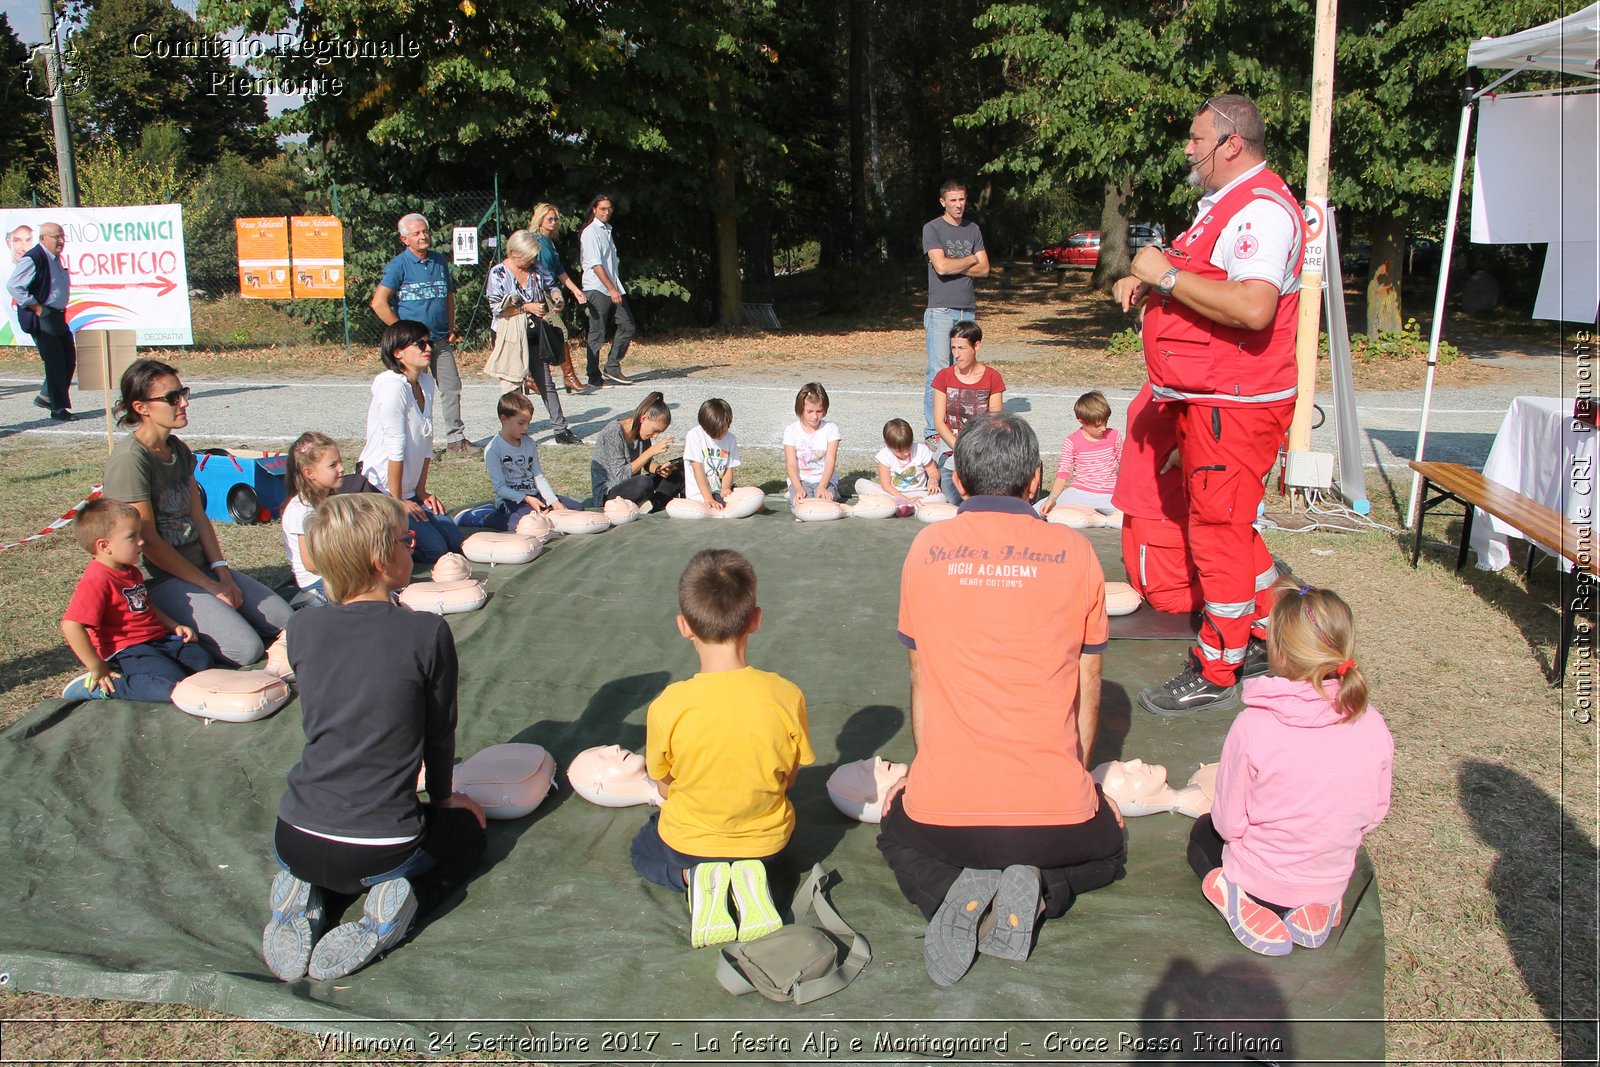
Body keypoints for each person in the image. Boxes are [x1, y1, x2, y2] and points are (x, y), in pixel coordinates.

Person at [876, 412, 1126, 987]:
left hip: (944, 816)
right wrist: (1083, 783)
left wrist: (923, 774)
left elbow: (920, 676)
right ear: (1035, 481)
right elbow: (1089, 684)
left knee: (895, 828)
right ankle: (1043, 886)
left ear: (959, 482)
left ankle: (948, 889)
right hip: (1056, 819)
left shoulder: (927, 548)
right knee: (1108, 849)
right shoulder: (1076, 553)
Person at [1112, 94, 1305, 716]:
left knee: (1217, 533)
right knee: (1227, 525)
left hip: (1235, 403)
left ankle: (1218, 665)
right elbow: (1206, 283)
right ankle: (1266, 623)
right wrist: (1152, 280)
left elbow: (1253, 307)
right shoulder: (1226, 208)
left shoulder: (1260, 211)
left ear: (1231, 143)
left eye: (1197, 140)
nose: (1188, 150)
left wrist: (1164, 276)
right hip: (1210, 398)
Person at [262, 493, 488, 983]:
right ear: (381, 559)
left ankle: (306, 895)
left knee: (333, 854)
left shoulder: (301, 626)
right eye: (407, 541)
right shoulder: (426, 633)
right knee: (467, 836)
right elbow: (438, 732)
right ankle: (395, 911)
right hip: (382, 842)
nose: (414, 548)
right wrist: (446, 799)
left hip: (294, 833)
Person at [1187, 580, 1393, 956]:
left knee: (1203, 835)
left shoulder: (1254, 725)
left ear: (1277, 650)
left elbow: (1230, 824)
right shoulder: (1372, 720)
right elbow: (1375, 814)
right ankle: (1314, 909)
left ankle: (1237, 899)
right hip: (1329, 877)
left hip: (1260, 879)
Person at [630, 548, 814, 947]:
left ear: (684, 626)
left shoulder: (668, 704)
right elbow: (789, 780)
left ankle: (693, 879)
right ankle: (751, 879)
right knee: (772, 853)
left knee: (644, 848)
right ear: (756, 620)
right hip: (766, 845)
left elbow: (663, 784)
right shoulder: (785, 695)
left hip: (690, 844)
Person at [102, 360, 292, 666]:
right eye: (172, 397)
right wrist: (211, 587)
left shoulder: (177, 449)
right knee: (246, 650)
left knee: (287, 621)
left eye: (183, 392)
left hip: (200, 568)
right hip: (160, 580)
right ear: (141, 407)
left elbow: (199, 516)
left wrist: (222, 572)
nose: (184, 403)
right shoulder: (130, 461)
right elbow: (148, 541)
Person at [58, 498, 213, 702]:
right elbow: (71, 626)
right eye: (132, 536)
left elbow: (145, 605)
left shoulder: (129, 570)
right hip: (128, 649)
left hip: (157, 640)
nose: (141, 541)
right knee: (168, 687)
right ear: (105, 546)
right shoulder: (97, 579)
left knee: (202, 661)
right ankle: (104, 687)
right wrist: (97, 666)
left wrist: (173, 625)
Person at [357, 320, 468, 564]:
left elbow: (426, 441)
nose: (428, 347)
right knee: (436, 550)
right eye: (419, 343)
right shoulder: (392, 387)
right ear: (398, 353)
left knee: (454, 539)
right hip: (383, 491)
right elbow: (395, 447)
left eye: (428, 342)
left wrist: (420, 491)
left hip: (407, 491)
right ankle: (377, 531)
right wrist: (398, 501)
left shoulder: (426, 383)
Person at [371, 213, 468, 454]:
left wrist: (451, 327)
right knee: (415, 392)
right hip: (414, 346)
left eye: (425, 231)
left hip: (440, 339)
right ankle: (420, 445)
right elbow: (379, 303)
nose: (423, 236)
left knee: (451, 387)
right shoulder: (399, 266)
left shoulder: (438, 261)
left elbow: (448, 297)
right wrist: (404, 334)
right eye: (416, 233)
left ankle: (456, 440)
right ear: (405, 239)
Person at [1112, 383, 1205, 615]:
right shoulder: (1164, 372)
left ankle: (1243, 587)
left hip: (1162, 508)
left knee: (1167, 599)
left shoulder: (1196, 376)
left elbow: (1224, 428)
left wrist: (1187, 452)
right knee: (1141, 587)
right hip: (1140, 505)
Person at [483, 229, 582, 446]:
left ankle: (561, 429)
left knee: (545, 381)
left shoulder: (536, 268)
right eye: (528, 256)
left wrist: (557, 298)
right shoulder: (498, 273)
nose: (532, 261)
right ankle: (513, 432)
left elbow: (552, 285)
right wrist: (526, 307)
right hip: (510, 333)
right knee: (512, 385)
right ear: (514, 253)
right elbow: (496, 308)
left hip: (536, 332)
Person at [922, 180, 988, 445]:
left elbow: (985, 269)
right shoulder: (932, 228)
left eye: (962, 199)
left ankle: (957, 427)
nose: (958, 205)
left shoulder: (973, 229)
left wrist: (957, 264)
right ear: (943, 202)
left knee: (963, 368)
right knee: (939, 371)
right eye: (953, 200)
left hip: (967, 309)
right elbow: (941, 267)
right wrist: (971, 258)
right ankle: (932, 431)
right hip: (941, 310)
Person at [482, 390, 582, 529]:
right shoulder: (493, 449)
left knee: (575, 509)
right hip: (511, 501)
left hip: (535, 496)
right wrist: (527, 499)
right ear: (504, 419)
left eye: (528, 423)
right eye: (521, 423)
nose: (526, 428)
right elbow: (500, 488)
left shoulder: (529, 443)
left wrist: (553, 501)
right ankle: (486, 517)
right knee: (531, 525)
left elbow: (538, 476)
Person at [6, 221, 75, 420]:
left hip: (57, 315)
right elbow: (14, 286)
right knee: (55, 361)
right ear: (43, 238)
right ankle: (58, 408)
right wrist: (36, 307)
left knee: (68, 358)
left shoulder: (55, 258)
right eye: (57, 237)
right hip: (42, 316)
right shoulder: (34, 258)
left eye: (62, 236)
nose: (61, 241)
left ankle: (46, 396)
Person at [931, 321, 1005, 503]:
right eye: (953, 348)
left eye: (962, 348)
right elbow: (939, 421)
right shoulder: (943, 377)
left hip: (982, 447)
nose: (956, 354)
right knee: (952, 493)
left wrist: (977, 448)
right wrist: (959, 447)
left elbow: (995, 420)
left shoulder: (992, 377)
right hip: (952, 448)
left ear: (977, 346)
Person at [281, 432, 346, 608]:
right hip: (316, 584)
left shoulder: (327, 500)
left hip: (335, 576)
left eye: (340, 462)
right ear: (309, 473)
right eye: (333, 465)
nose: (341, 469)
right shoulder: (301, 510)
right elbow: (311, 563)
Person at [590, 390, 684, 510]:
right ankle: (654, 503)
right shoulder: (613, 432)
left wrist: (660, 468)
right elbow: (620, 477)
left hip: (632, 486)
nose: (655, 436)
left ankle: (652, 504)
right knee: (643, 483)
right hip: (609, 494)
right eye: (655, 430)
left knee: (680, 467)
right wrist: (650, 451)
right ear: (643, 418)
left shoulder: (642, 433)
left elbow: (647, 462)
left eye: (659, 433)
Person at [530, 202, 588, 394]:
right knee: (557, 331)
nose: (554, 222)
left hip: (550, 290)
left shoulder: (549, 243)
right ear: (540, 220)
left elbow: (559, 271)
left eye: (556, 219)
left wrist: (574, 290)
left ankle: (535, 379)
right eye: (550, 219)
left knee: (546, 333)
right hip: (538, 292)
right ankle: (566, 376)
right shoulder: (534, 241)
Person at [580, 193, 635, 386]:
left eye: (609, 208)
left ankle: (612, 366)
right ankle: (593, 375)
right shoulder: (591, 232)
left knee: (627, 324)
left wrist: (615, 287)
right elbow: (596, 264)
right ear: (594, 209)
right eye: (603, 208)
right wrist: (611, 289)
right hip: (597, 287)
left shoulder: (607, 231)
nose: (607, 212)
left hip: (612, 286)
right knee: (598, 333)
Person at [1039, 391, 1123, 514]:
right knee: (1038, 511)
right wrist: (1052, 498)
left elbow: (1125, 464)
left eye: (1106, 422)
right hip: (1079, 492)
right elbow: (1063, 474)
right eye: (1097, 426)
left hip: (1109, 493)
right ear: (1082, 421)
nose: (1104, 428)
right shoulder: (1072, 441)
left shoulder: (1114, 435)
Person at [855, 418, 940, 508]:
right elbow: (886, 485)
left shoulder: (921, 450)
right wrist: (905, 498)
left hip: (919, 493)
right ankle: (907, 504)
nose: (906, 453)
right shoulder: (884, 455)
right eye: (899, 451)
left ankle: (895, 505)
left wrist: (933, 481)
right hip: (894, 493)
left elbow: (933, 472)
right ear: (887, 445)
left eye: (908, 448)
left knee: (940, 497)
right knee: (860, 484)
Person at [782, 382, 841, 507]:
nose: (815, 416)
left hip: (824, 480)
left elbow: (830, 460)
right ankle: (792, 493)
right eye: (810, 411)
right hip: (801, 480)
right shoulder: (791, 430)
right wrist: (798, 488)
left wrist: (823, 486)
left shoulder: (831, 429)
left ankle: (832, 491)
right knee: (804, 505)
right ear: (800, 409)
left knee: (825, 506)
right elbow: (791, 464)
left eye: (819, 411)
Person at [683, 398, 739, 511]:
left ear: (729, 423)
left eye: (722, 431)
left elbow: (728, 469)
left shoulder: (731, 439)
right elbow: (697, 470)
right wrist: (708, 498)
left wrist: (726, 489)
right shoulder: (694, 435)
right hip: (700, 494)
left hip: (720, 491)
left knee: (758, 504)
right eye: (714, 433)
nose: (719, 436)